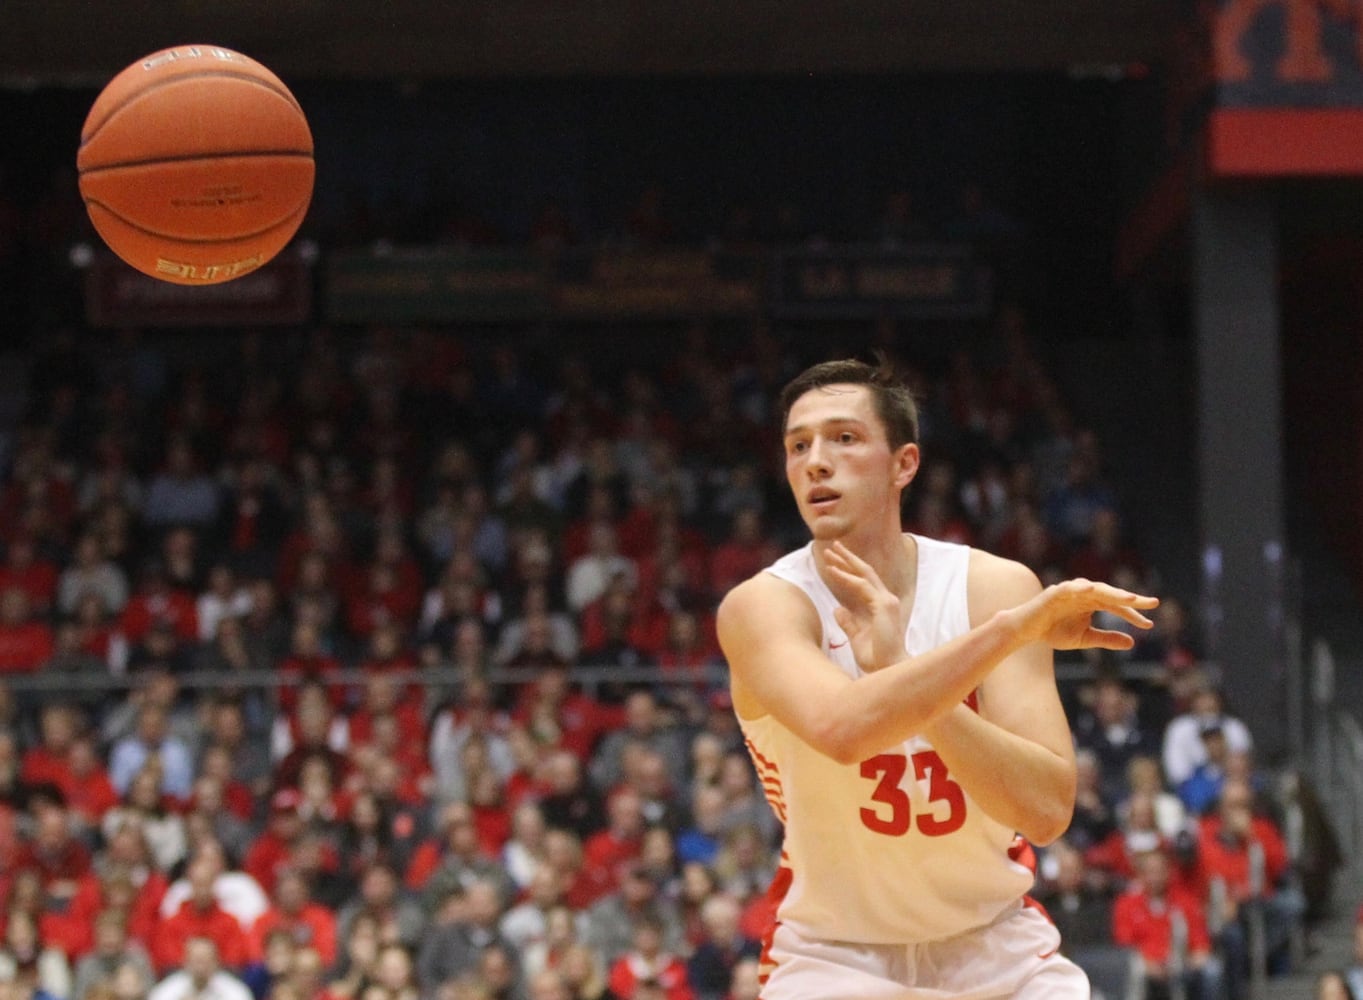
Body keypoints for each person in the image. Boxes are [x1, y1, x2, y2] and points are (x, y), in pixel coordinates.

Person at [714, 356, 1159, 999]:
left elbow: (1045, 810)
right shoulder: (763, 607)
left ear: (905, 464)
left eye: (844, 438)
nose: (815, 460)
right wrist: (1012, 631)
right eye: (797, 445)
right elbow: (843, 729)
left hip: (997, 945)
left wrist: (902, 669)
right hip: (837, 957)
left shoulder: (992, 588)